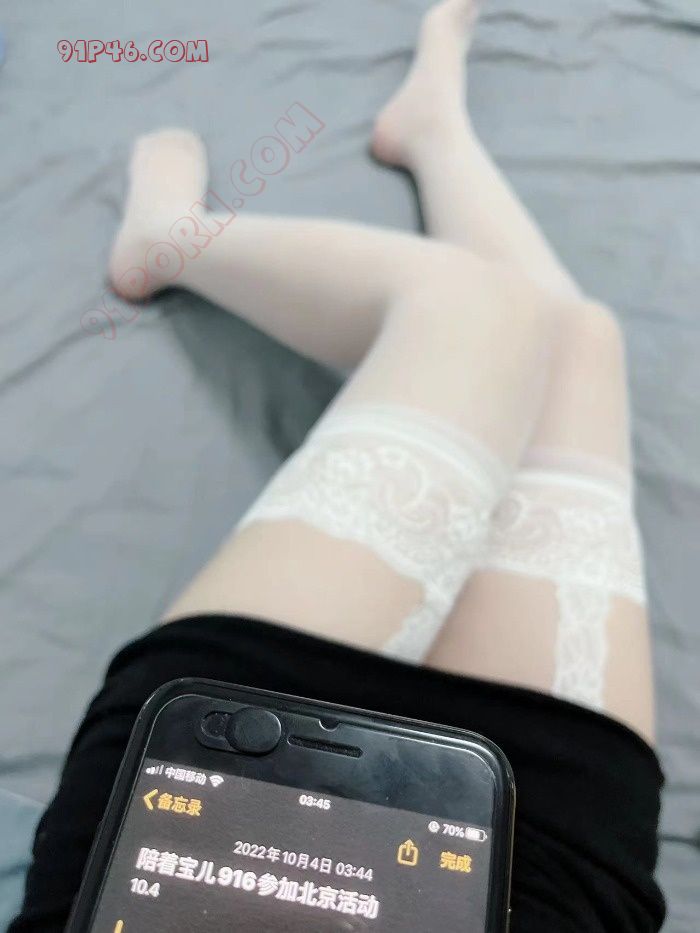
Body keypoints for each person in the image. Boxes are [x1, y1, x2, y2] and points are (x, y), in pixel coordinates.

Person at [11, 1, 664, 930]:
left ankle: (172, 235)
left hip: (218, 787)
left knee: (488, 314)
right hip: (543, 845)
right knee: (579, 340)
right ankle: (430, 136)